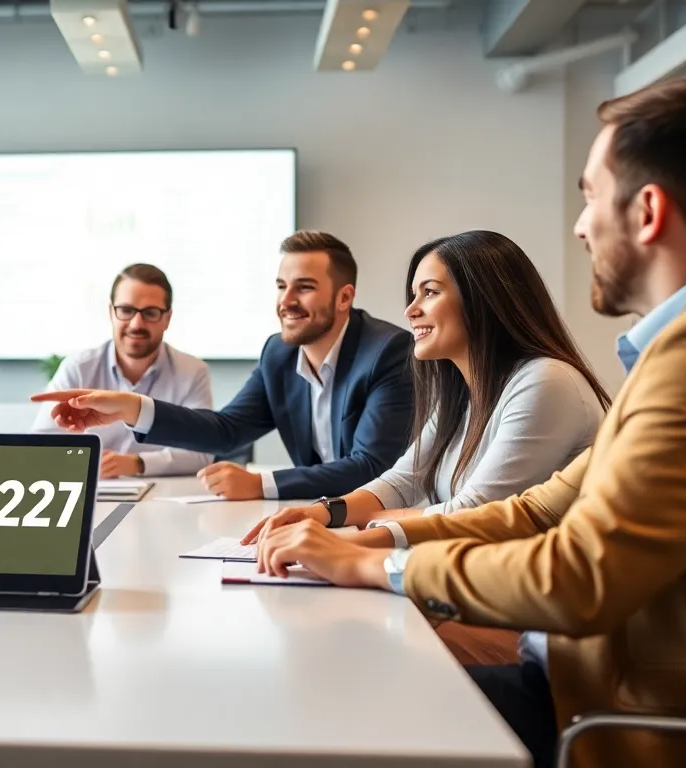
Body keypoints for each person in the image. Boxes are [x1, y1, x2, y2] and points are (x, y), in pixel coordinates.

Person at [251, 77, 686, 768]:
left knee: (337, 708)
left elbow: (580, 575)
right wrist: (356, 542)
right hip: (591, 681)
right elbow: (538, 507)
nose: (579, 225)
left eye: (591, 197)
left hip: (656, 722)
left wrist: (379, 565)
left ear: (650, 211)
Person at [243, 229, 611, 664]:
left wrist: (361, 537)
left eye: (429, 292)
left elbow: (475, 514)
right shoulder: (463, 388)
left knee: (357, 644)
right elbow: (404, 478)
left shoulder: (546, 381)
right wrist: (323, 512)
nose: (410, 310)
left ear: (483, 300)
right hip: (475, 593)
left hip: (535, 623)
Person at [33, 231, 415, 500]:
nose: (287, 300)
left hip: (380, 516)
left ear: (344, 296)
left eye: (304, 287)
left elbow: (370, 466)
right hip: (315, 513)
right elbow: (227, 431)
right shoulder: (278, 354)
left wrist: (260, 484)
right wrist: (130, 407)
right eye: (281, 286)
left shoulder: (386, 351)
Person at [33, 264, 212, 478]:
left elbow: (203, 452)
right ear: (111, 312)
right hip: (95, 491)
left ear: (167, 319)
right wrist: (85, 461)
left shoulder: (193, 371)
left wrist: (137, 463)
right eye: (126, 311)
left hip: (165, 495)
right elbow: (40, 446)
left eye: (151, 313)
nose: (136, 323)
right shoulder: (79, 368)